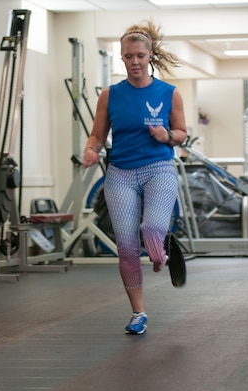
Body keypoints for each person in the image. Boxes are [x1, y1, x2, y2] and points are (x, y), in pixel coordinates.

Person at [82, 20, 187, 335]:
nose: (135, 62)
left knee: (151, 229)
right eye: (129, 57)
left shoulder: (169, 93)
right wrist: (91, 150)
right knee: (127, 247)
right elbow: (97, 135)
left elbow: (182, 134)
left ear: (150, 55)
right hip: (120, 174)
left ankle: (161, 251)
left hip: (159, 169)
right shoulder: (110, 95)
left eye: (140, 55)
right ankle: (138, 312)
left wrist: (166, 135)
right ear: (122, 58)